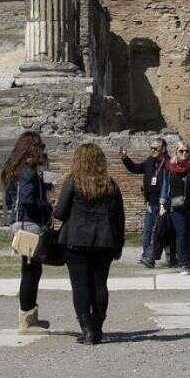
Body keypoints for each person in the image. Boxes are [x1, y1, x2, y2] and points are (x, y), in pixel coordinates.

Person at [53, 143, 126, 345]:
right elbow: (119, 217)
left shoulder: (73, 182)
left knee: (80, 286)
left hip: (76, 241)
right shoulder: (110, 184)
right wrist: (119, 244)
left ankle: (87, 330)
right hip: (104, 241)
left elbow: (59, 213)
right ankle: (98, 327)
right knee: (100, 285)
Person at [2, 131, 53, 334]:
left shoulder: (14, 169)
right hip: (30, 224)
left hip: (19, 222)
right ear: (32, 148)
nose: (42, 153)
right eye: (40, 148)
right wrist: (47, 206)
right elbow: (27, 200)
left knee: (31, 270)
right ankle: (26, 321)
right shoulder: (28, 172)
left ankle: (31, 317)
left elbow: (10, 200)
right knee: (31, 272)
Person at [120, 139, 168, 267]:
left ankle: (165, 255)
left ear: (163, 149)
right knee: (147, 231)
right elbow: (135, 168)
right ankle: (146, 256)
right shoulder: (149, 161)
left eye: (155, 148)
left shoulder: (168, 163)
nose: (152, 150)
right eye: (151, 148)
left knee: (159, 232)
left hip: (164, 204)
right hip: (150, 203)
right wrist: (125, 158)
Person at [157, 145, 190, 274]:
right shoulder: (169, 168)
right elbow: (165, 186)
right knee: (181, 233)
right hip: (175, 206)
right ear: (176, 152)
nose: (184, 153)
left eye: (186, 151)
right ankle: (183, 264)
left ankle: (187, 259)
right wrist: (162, 204)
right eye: (181, 151)